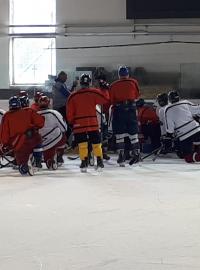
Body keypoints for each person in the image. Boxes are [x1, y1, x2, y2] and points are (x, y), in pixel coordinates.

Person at [67, 73, 110, 172]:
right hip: (92, 123)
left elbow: (69, 112)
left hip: (79, 124)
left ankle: (84, 163)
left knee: (82, 144)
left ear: (80, 82)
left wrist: (72, 122)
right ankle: (99, 162)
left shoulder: (73, 96)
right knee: (96, 143)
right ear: (89, 82)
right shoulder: (94, 92)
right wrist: (105, 89)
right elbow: (105, 99)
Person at [0, 96, 44, 175]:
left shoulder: (6, 116)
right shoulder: (28, 111)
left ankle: (23, 164)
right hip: (31, 138)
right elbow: (40, 122)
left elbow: (4, 135)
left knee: (22, 163)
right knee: (38, 139)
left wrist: (4, 145)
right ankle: (38, 161)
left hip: (17, 144)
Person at [109, 66, 140, 166]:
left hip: (119, 109)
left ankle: (121, 156)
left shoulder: (114, 85)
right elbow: (136, 95)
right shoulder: (133, 82)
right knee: (133, 132)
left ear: (119, 75)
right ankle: (136, 154)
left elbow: (111, 99)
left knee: (120, 133)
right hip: (131, 108)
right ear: (128, 74)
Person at [164, 90, 200, 162]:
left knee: (187, 157)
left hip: (183, 136)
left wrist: (169, 135)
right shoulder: (185, 102)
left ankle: (196, 157)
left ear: (169, 99)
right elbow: (197, 109)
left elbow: (170, 128)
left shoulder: (168, 109)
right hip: (196, 130)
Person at [38, 95, 67, 169]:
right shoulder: (54, 113)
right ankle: (59, 155)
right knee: (62, 135)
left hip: (41, 142)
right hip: (56, 139)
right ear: (49, 103)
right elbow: (63, 128)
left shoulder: (35, 114)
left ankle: (48, 159)